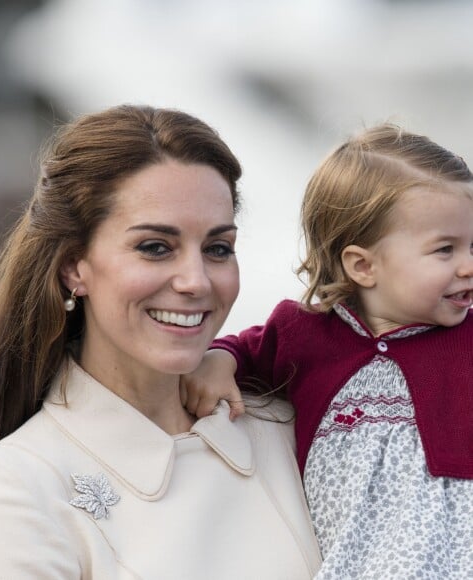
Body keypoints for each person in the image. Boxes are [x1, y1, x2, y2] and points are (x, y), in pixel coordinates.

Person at [0, 104, 321, 580]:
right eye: (155, 247)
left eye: (218, 249)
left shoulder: (289, 428)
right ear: (74, 265)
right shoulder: (16, 484)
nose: (195, 281)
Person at [182, 124, 473, 579]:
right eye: (445, 249)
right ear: (363, 265)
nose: (468, 265)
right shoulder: (304, 332)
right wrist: (221, 360)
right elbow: (244, 349)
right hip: (344, 562)